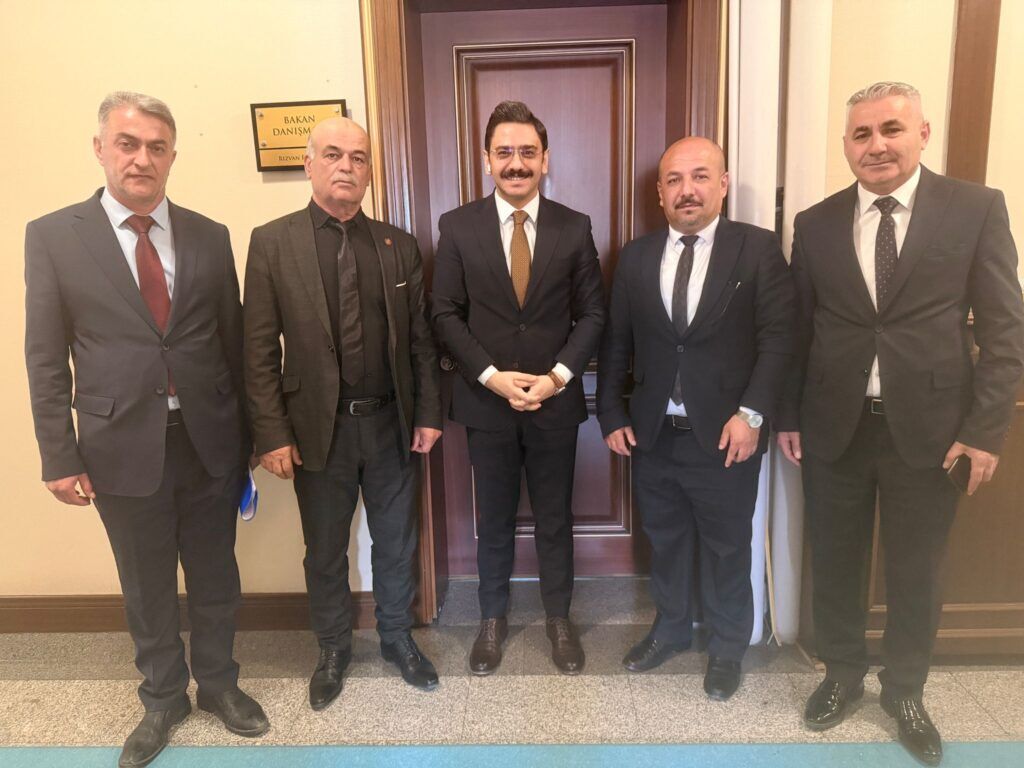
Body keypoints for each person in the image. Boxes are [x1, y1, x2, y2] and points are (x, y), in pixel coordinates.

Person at [777, 81, 1024, 766]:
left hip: (935, 431)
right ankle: (841, 675)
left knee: (918, 569)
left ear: (923, 133)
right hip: (836, 426)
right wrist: (790, 415)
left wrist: (984, 431)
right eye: (861, 134)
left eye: (891, 129)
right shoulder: (817, 223)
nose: (877, 145)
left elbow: (1006, 331)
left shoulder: (974, 209)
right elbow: (799, 331)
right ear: (846, 145)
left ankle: (905, 690)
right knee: (835, 561)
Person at [24, 91, 268, 768]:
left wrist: (250, 438)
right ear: (100, 149)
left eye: (156, 147)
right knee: (146, 580)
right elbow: (45, 356)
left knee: (216, 575)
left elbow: (233, 342)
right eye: (127, 144)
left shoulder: (209, 234)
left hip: (209, 440)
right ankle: (163, 698)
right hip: (118, 446)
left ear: (172, 156)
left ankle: (218, 684)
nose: (142, 158)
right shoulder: (54, 236)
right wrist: (58, 455)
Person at [244, 117, 443, 708]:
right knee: (325, 548)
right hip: (316, 430)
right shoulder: (272, 242)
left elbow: (421, 341)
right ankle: (332, 647)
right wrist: (271, 433)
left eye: (358, 158)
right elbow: (258, 348)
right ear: (309, 164)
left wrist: (428, 413)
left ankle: (397, 637)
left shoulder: (398, 245)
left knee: (396, 542)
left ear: (369, 171)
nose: (346, 167)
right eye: (333, 155)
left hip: (390, 423)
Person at [597, 136, 794, 700]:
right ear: (660, 193)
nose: (688, 190)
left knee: (728, 547)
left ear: (723, 184)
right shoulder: (635, 257)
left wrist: (751, 414)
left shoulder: (756, 249)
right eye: (675, 180)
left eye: (701, 176)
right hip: (654, 434)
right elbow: (617, 341)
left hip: (727, 435)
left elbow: (779, 339)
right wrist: (611, 412)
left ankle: (729, 647)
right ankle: (671, 630)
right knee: (665, 541)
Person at [431, 101, 605, 675]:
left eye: (528, 152)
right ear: (487, 160)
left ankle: (559, 618)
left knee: (555, 518)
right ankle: (492, 619)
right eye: (504, 152)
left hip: (554, 404)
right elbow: (444, 313)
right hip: (487, 404)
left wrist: (556, 379)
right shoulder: (457, 227)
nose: (516, 163)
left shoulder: (574, 227)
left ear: (545, 159)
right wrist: (491, 376)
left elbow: (593, 314)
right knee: (495, 520)